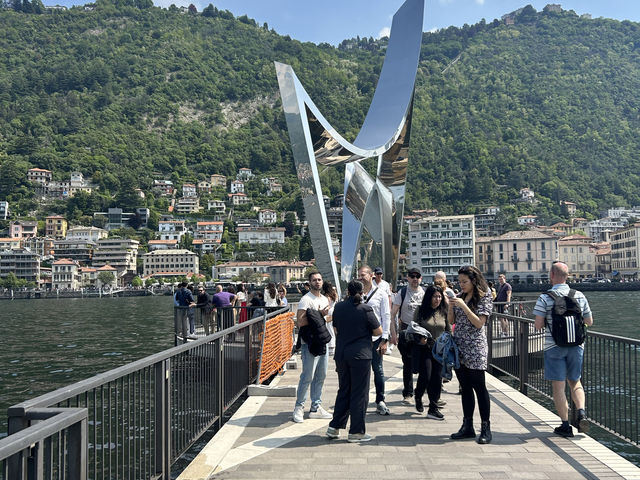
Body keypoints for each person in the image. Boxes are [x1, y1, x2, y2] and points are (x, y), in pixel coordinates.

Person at [534, 261, 593, 438]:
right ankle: (581, 413)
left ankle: (566, 426)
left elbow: (538, 325)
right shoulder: (579, 295)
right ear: (567, 276)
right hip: (576, 346)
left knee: (558, 387)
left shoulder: (545, 297)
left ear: (551, 275)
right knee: (575, 381)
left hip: (554, 347)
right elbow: (589, 321)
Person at [326, 280, 382, 443]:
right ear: (362, 292)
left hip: (342, 354)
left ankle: (335, 426)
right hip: (361, 355)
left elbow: (336, 328)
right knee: (359, 393)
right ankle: (356, 431)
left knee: (344, 390)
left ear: (347, 292)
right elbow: (378, 330)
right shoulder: (365, 309)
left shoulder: (339, 307)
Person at [449, 265, 494, 444]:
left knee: (479, 386)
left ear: (474, 280)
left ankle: (485, 427)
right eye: (459, 282)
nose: (461, 285)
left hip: (475, 347)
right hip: (459, 346)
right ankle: (467, 426)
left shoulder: (484, 297)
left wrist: (464, 306)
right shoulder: (459, 297)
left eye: (464, 282)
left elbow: (478, 323)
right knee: (465, 387)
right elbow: (451, 321)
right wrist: (452, 305)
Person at [293, 271, 332, 423]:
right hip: (309, 343)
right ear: (309, 283)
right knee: (307, 376)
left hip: (322, 341)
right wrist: (319, 315)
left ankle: (316, 406)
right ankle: (299, 407)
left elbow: (326, 319)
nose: (317, 282)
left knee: (321, 375)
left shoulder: (324, 299)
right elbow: (300, 322)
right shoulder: (305, 300)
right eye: (314, 280)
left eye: (319, 279)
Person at [412, 285, 450, 420]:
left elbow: (448, 329)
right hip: (425, 349)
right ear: (429, 297)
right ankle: (418, 395)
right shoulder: (421, 311)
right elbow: (413, 328)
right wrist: (419, 339)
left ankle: (433, 408)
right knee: (426, 375)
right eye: (435, 296)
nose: (437, 299)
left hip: (440, 350)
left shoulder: (443, 311)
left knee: (437, 378)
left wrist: (450, 344)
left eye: (439, 296)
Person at [358, 265, 391, 415]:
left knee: (378, 369)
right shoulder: (356, 294)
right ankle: (360, 400)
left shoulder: (381, 293)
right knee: (361, 371)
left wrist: (385, 339)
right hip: (360, 338)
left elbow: (386, 316)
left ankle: (380, 400)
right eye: (359, 275)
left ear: (371, 275)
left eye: (363, 274)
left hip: (376, 338)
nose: (360, 277)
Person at [390, 267, 425, 403]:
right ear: (408, 278)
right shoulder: (402, 293)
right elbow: (393, 314)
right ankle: (408, 392)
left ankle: (420, 392)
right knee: (408, 363)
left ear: (420, 278)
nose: (415, 279)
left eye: (417, 276)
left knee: (423, 364)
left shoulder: (424, 293)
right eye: (412, 276)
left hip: (421, 332)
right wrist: (393, 333)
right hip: (406, 331)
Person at [322, 281, 338, 356]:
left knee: (328, 329)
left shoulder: (326, 296)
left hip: (328, 313)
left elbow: (327, 306)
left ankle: (329, 346)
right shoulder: (334, 294)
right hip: (333, 312)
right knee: (332, 330)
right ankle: (333, 346)